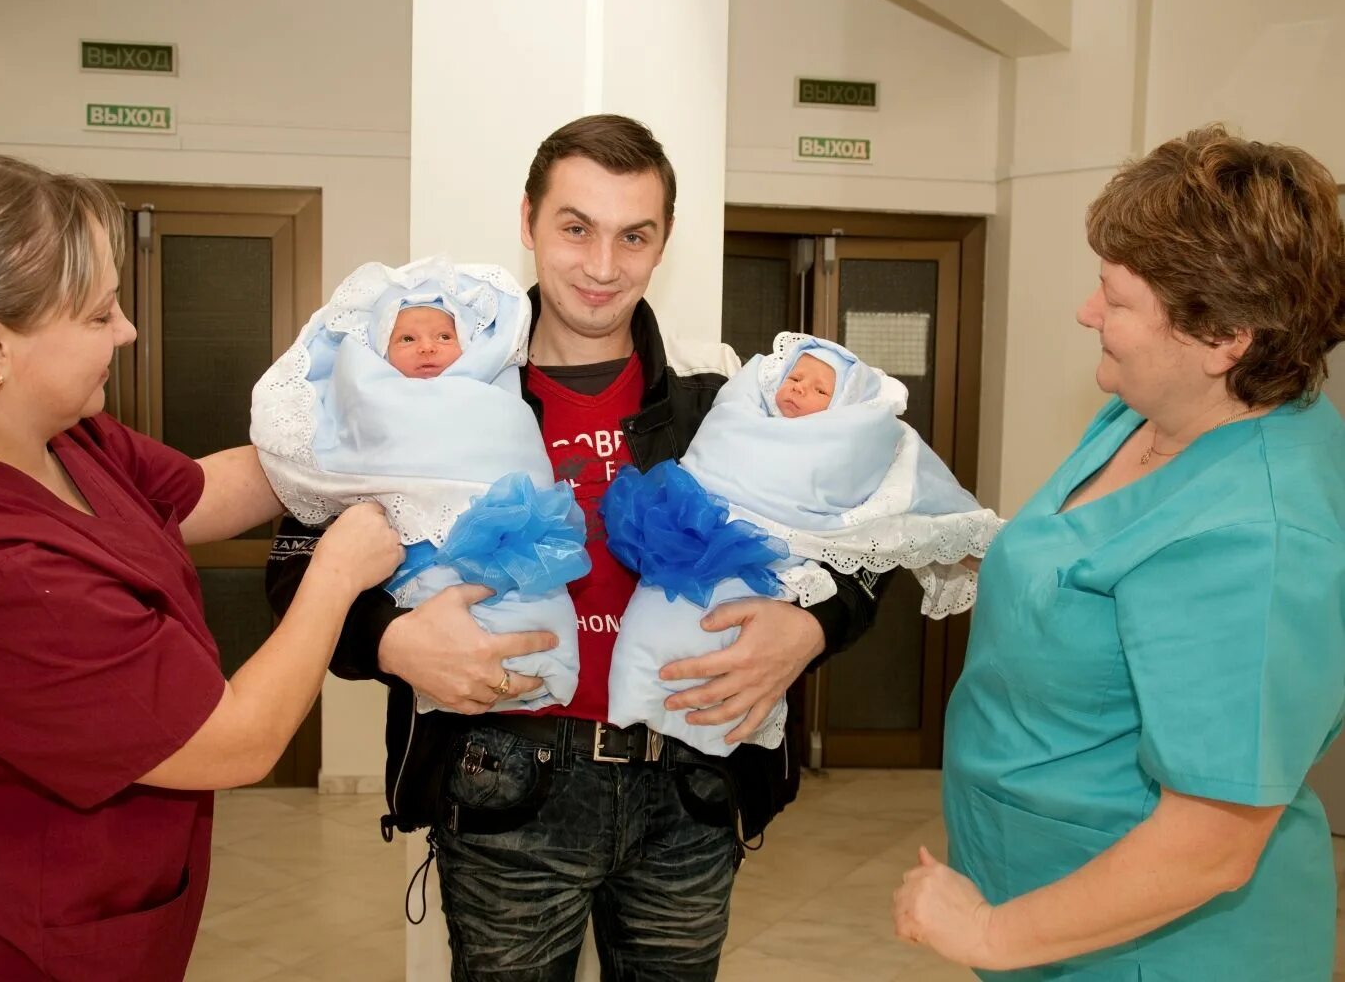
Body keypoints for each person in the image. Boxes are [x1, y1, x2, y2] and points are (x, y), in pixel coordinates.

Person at [266, 114, 890, 979]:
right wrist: (390, 639)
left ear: (663, 240)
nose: (603, 267)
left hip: (692, 785)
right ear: (527, 223)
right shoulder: (430, 384)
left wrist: (813, 629)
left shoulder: (725, 403)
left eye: (633, 236)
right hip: (502, 776)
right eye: (575, 229)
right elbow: (296, 554)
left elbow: (874, 544)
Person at [0, 148, 403, 982]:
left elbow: (204, 493)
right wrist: (335, 572)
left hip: (96, 910)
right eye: (100, 314)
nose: (128, 331)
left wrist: (383, 418)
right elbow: (237, 740)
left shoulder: (50, 435)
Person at [893, 125, 1345, 980]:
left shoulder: (1261, 537)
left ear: (1224, 337)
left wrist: (988, 934)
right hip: (1044, 900)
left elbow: (1212, 844)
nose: (1086, 312)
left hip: (1159, 951)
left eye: (1117, 298)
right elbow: (1110, 570)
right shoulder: (1154, 411)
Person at [602, 333, 1001, 756]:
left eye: (821, 389)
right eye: (795, 377)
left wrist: (815, 624)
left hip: (771, 565)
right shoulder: (738, 407)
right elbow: (714, 456)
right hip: (688, 540)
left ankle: (703, 734)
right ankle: (633, 700)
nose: (799, 389)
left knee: (717, 657)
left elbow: (872, 540)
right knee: (649, 632)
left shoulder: (840, 447)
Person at [250, 256, 588, 713]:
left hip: (513, 545)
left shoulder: (497, 397)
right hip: (424, 587)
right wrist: (389, 638)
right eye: (407, 338)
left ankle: (549, 663)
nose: (428, 348)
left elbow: (516, 456)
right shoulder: (367, 413)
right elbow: (295, 565)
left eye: (444, 337)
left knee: (534, 614)